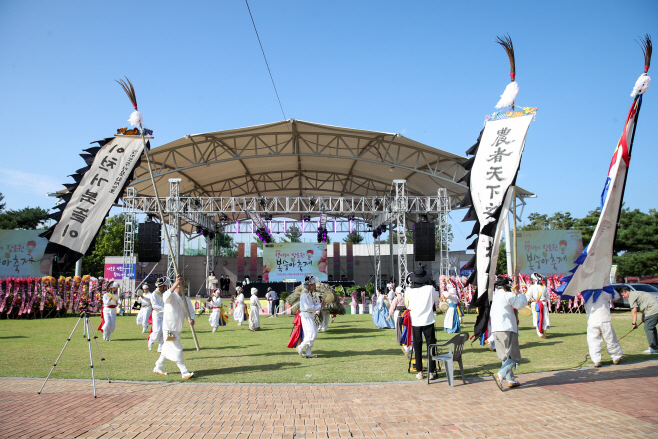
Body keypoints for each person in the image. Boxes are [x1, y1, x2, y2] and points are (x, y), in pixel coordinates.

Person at [153, 275, 195, 379]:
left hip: (178, 327)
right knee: (177, 348)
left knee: (166, 350)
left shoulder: (185, 299)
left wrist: (191, 319)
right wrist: (175, 283)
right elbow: (165, 298)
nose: (181, 286)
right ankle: (184, 371)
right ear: (175, 286)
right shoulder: (170, 295)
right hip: (169, 328)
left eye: (182, 284)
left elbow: (190, 311)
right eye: (179, 285)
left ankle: (158, 367)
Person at [490, 276, 528, 390]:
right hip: (507, 329)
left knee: (505, 357)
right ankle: (500, 375)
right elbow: (521, 304)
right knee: (514, 356)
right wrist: (518, 292)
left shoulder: (495, 296)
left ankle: (510, 380)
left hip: (496, 329)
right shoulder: (508, 295)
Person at [406, 264, 440, 380]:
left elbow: (407, 304)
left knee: (417, 346)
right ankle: (431, 371)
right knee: (431, 345)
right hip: (428, 320)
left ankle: (420, 371)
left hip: (416, 320)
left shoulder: (409, 290)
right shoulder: (430, 289)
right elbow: (437, 299)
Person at [583, 288, 623, 367]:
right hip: (604, 319)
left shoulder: (586, 293)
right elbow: (617, 296)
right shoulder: (603, 292)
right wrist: (607, 286)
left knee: (593, 341)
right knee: (610, 339)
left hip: (592, 321)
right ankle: (616, 357)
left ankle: (596, 360)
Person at [620, 287, 658, 354]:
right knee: (651, 327)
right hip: (653, 308)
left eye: (623, 295)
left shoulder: (631, 296)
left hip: (653, 309)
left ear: (627, 291)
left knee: (648, 328)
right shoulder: (636, 293)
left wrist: (634, 323)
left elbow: (634, 310)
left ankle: (654, 348)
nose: (623, 297)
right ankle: (655, 347)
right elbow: (644, 303)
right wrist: (643, 316)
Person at [297, 276, 325, 358]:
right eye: (313, 285)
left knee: (309, 334)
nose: (314, 286)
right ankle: (300, 347)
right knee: (313, 333)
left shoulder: (307, 294)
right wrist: (319, 307)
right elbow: (308, 307)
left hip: (308, 316)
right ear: (310, 285)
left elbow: (314, 304)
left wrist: (321, 305)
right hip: (306, 316)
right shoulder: (304, 295)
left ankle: (308, 353)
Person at [525, 273, 550, 338]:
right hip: (543, 304)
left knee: (537, 318)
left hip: (536, 305)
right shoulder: (544, 287)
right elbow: (547, 297)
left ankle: (540, 333)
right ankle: (544, 330)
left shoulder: (532, 287)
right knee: (544, 318)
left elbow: (527, 296)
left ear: (534, 279)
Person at [149, 277, 167, 352]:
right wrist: (164, 309)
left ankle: (160, 348)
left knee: (163, 331)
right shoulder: (154, 294)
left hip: (164, 315)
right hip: (157, 315)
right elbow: (154, 305)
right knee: (157, 331)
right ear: (162, 286)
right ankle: (151, 339)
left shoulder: (164, 294)